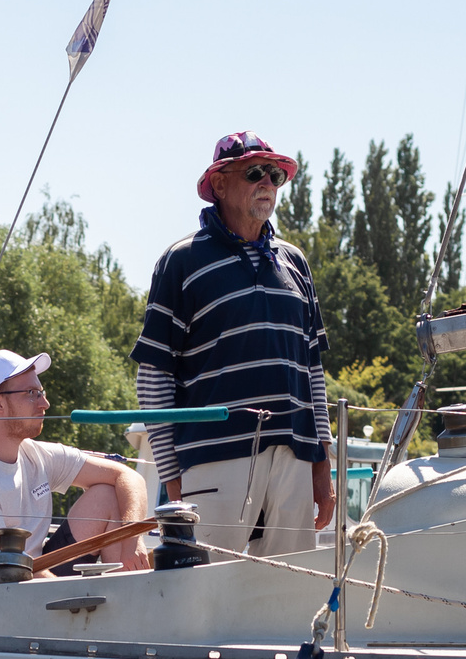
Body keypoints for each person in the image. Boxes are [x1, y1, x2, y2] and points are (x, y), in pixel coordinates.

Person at [132, 130, 336, 558]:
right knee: (206, 590)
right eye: (255, 173)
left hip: (295, 458)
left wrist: (322, 466)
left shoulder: (295, 261)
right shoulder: (181, 260)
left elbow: (313, 372)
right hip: (212, 458)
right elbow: (153, 377)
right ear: (220, 184)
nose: (268, 183)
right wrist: (172, 479)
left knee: (289, 591)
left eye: (276, 175)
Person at [0, 349, 150, 575]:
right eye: (31, 393)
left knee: (108, 494)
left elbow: (128, 476)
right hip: (5, 592)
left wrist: (132, 538)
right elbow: (9, 564)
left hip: (41, 577)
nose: (45, 403)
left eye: (41, 392)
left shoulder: (38, 454)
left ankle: (124, 598)